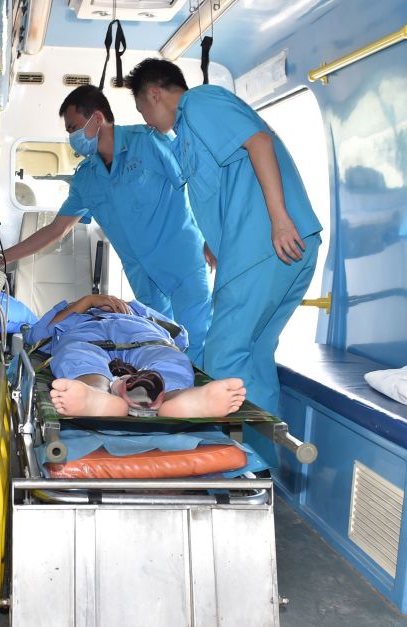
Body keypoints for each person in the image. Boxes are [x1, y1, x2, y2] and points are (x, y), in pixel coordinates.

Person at [125, 59, 322, 414]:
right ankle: (258, 447)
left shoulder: (199, 102)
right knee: (254, 354)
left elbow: (259, 143)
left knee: (221, 356)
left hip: (264, 246)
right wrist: (212, 240)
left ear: (154, 94)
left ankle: (223, 446)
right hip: (275, 247)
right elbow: (222, 186)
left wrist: (279, 219)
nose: (146, 121)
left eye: (143, 110)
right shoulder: (188, 132)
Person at [3, 85, 212, 366]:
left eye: (73, 127)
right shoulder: (86, 178)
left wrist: (213, 237)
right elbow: (56, 230)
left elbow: (194, 184)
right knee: (157, 345)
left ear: (98, 118)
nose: (72, 137)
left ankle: (211, 393)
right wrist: (2, 258)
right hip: (143, 277)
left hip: (182, 261)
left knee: (198, 342)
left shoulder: (148, 142)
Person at [23, 293, 246, 419]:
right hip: (85, 334)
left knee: (168, 358)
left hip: (142, 335)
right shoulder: (73, 312)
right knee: (77, 355)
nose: (107, 302)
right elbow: (37, 336)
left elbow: (178, 337)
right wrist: (87, 302)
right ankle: (95, 395)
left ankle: (178, 399)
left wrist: (132, 309)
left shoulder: (138, 310)